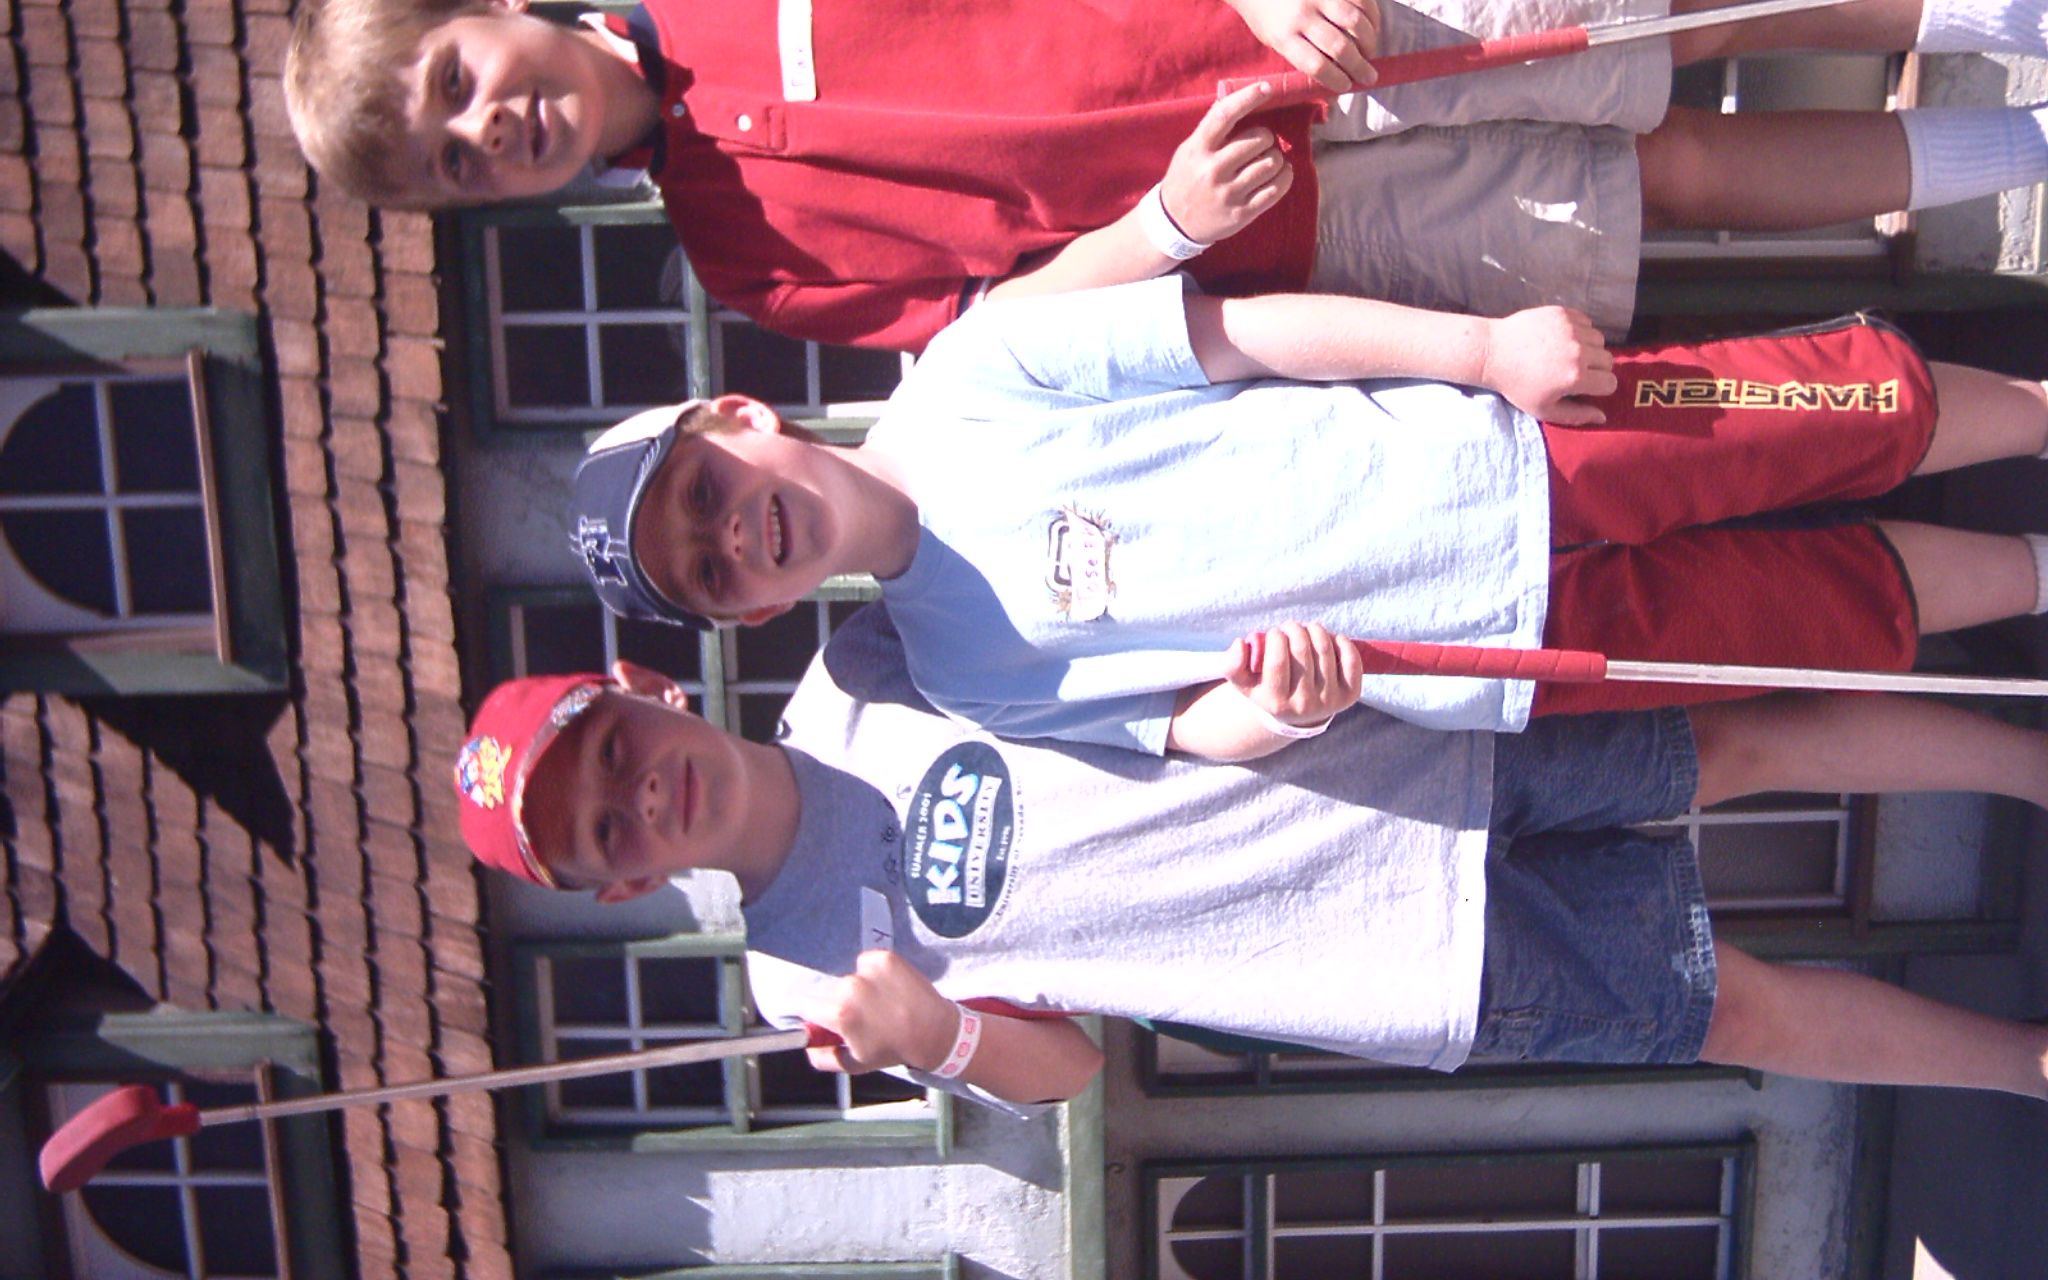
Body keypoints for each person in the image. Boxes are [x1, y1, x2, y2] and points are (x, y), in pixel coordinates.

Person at [285, 0, 2048, 351]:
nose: (487, 130)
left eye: (457, 83)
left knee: (1685, 8)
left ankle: (2021, 6)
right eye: (457, 164)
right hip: (1292, 226)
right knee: (1677, 189)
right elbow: (998, 326)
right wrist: (1163, 229)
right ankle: (2030, 142)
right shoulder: (744, 268)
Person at [448, 605, 2048, 1106]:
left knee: (1737, 743)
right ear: (616, 888)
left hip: (1384, 746)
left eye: (614, 751)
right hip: (1384, 963)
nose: (637, 796)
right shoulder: (802, 987)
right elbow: (1070, 1073)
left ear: (647, 690)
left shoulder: (867, 659)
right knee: (1732, 1012)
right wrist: (935, 1039)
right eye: (602, 831)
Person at [567, 269, 2048, 759]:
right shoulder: (965, 675)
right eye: (708, 574)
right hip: (1490, 656)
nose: (733, 536)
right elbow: (1177, 728)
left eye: (706, 496)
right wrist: (1275, 715)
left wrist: (1483, 351)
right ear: (757, 612)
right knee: (1831, 619)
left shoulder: (973, 368)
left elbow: (1245, 335)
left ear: (739, 419)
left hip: (1508, 448)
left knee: (1840, 410)